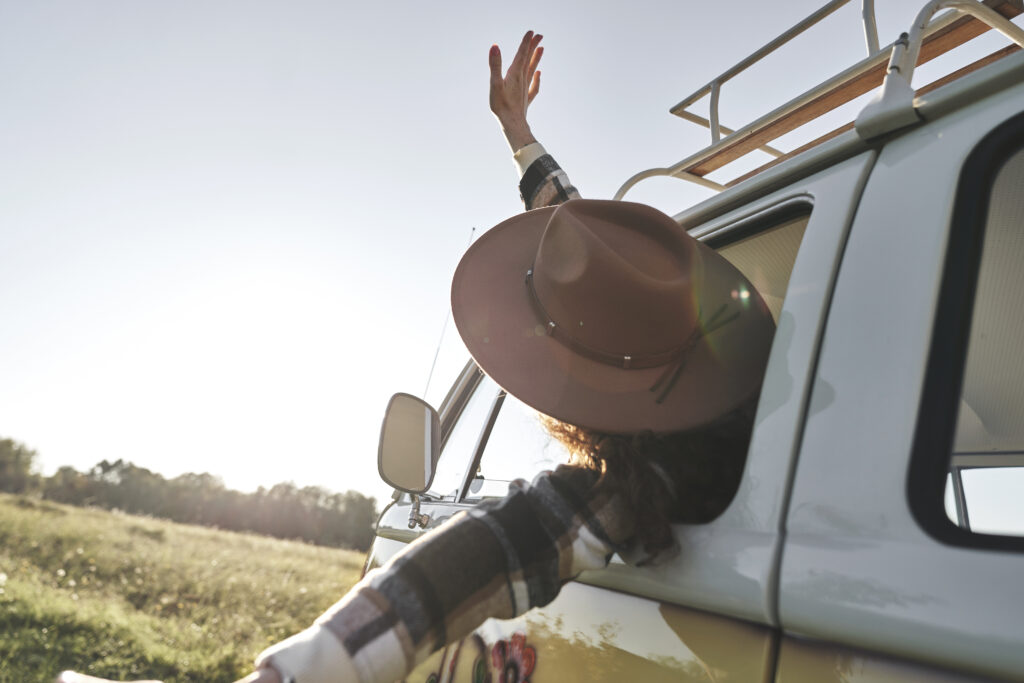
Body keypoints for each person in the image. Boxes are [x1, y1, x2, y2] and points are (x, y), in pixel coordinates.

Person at [60, 31, 774, 683]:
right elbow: (617, 283)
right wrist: (522, 136)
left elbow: (438, 584)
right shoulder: (752, 406)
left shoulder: (628, 489)